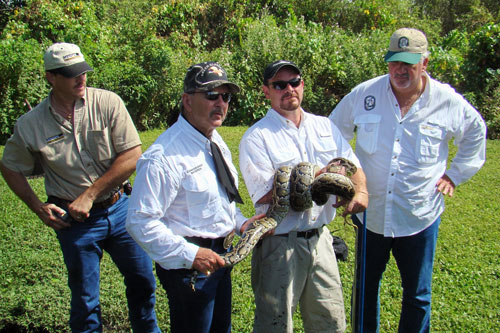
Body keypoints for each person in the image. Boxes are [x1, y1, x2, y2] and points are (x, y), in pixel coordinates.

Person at [329, 28, 487, 332]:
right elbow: (334, 132)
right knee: (364, 290)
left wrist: (455, 175)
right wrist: (340, 171)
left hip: (419, 216)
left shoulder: (447, 101)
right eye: (394, 62)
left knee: (418, 294)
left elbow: (475, 133)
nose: (400, 70)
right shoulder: (365, 95)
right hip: (370, 214)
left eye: (408, 64)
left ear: (424, 63)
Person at [0, 43, 159, 332]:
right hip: (73, 221)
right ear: (50, 77)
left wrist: (89, 195)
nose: (81, 78)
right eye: (71, 74)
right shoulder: (30, 124)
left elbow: (133, 155)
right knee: (85, 301)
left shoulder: (108, 103)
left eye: (83, 71)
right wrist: (37, 207)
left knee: (143, 283)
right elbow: (10, 166)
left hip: (120, 207)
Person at [126, 61, 263, 333]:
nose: (221, 103)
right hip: (189, 269)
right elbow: (140, 221)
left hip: (221, 258)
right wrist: (192, 255)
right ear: (187, 101)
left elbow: (219, 201)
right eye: (211, 95)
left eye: (226, 96)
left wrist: (242, 223)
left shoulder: (214, 140)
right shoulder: (164, 157)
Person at [238, 60, 369, 333]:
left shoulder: (326, 127)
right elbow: (265, 197)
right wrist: (318, 178)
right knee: (275, 325)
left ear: (303, 85)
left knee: (330, 323)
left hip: (321, 240)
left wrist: (361, 191)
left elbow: (351, 164)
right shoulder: (256, 138)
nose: (289, 89)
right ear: (266, 91)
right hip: (279, 246)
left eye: (294, 82)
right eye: (279, 85)